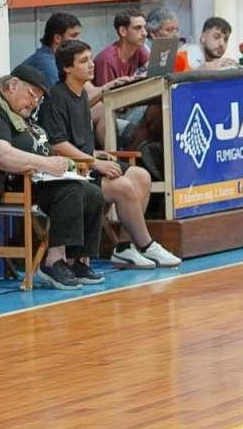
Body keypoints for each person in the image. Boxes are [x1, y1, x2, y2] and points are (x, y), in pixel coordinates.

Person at [39, 40, 181, 270]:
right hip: (72, 170)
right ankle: (146, 244)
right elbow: (58, 144)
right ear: (67, 68)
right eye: (84, 61)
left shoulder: (81, 96)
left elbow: (78, 140)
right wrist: (94, 162)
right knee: (123, 186)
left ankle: (125, 247)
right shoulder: (56, 98)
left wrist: (97, 155)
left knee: (141, 176)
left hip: (89, 161)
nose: (92, 64)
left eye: (91, 58)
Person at [0, 65, 106, 291]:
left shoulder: (21, 114)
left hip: (36, 179)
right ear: (12, 86)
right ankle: (53, 262)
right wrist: (46, 164)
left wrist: (63, 164)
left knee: (93, 193)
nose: (34, 103)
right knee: (70, 190)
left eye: (39, 99)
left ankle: (74, 261)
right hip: (4, 184)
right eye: (32, 95)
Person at [20, 12, 82, 88]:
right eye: (73, 36)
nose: (79, 40)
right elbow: (58, 94)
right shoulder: (46, 62)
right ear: (57, 38)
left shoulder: (59, 59)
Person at [93, 9, 149, 87]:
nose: (145, 33)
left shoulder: (138, 47)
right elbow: (105, 93)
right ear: (123, 31)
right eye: (137, 28)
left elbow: (153, 69)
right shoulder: (106, 60)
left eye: (144, 27)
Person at [145, 6, 190, 72]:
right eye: (169, 30)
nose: (175, 35)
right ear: (153, 33)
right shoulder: (144, 50)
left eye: (177, 29)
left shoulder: (177, 49)